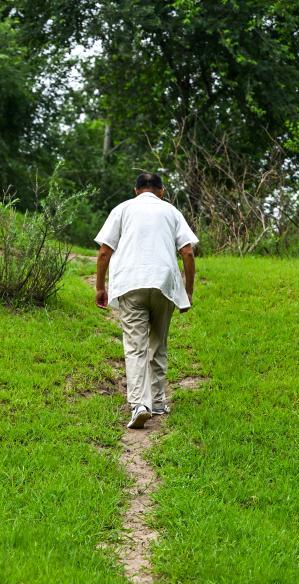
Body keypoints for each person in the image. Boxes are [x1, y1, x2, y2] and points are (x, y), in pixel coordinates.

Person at [94, 172, 198, 428]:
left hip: (131, 283)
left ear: (135, 190)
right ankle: (158, 402)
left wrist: (100, 287)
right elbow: (187, 252)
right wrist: (188, 291)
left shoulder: (122, 209)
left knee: (135, 346)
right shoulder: (171, 211)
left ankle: (140, 404)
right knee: (158, 343)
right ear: (162, 191)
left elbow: (105, 251)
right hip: (164, 284)